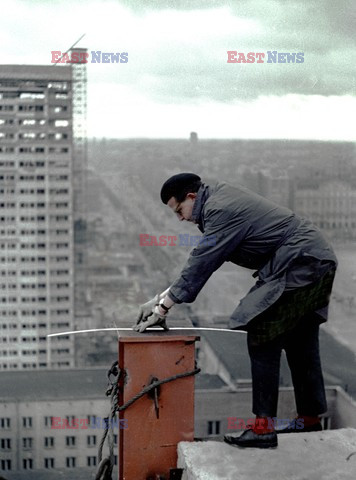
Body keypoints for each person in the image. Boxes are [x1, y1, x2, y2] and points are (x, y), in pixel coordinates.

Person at [134, 173, 337, 449]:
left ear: (192, 197)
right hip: (314, 258)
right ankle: (309, 422)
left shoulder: (220, 209)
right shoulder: (218, 197)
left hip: (299, 262)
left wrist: (162, 307)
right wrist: (159, 297)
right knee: (300, 341)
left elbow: (201, 262)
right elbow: (203, 259)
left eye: (179, 210)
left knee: (262, 333)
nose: (180, 219)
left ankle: (263, 429)